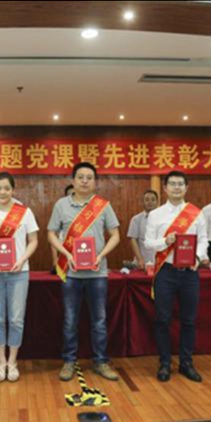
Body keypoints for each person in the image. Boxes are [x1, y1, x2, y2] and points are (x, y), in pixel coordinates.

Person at [48, 162, 120, 382]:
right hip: (71, 273)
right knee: (70, 320)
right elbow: (51, 234)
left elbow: (115, 235)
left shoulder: (103, 205)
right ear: (73, 180)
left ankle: (100, 361)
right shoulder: (61, 205)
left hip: (98, 273)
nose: (85, 181)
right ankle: (69, 361)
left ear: (95, 181)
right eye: (81, 177)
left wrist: (101, 256)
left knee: (99, 320)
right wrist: (66, 254)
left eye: (89, 177)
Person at [144, 171, 209, 383]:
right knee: (162, 319)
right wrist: (165, 241)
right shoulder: (156, 215)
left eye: (180, 184)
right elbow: (148, 243)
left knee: (189, 320)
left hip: (189, 272)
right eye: (172, 184)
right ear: (165, 188)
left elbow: (204, 240)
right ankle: (164, 362)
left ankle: (186, 363)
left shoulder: (196, 213)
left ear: (186, 187)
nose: (176, 187)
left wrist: (197, 257)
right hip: (166, 271)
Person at [0, 172, 39, 382]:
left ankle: (13, 361)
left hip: (19, 273)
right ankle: (1, 361)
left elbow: (33, 240)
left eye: (7, 188)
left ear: (13, 189)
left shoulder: (24, 213)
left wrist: (22, 259)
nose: (3, 192)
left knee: (16, 319)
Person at [127, 189, 159, 269]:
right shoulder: (136, 219)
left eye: (153, 200)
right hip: (142, 262)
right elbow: (133, 240)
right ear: (142, 202)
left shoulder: (163, 219)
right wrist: (140, 259)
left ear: (157, 202)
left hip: (160, 262)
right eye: (147, 200)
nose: (150, 202)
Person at [50, 184, 75, 273]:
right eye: (69, 195)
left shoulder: (87, 213)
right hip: (65, 252)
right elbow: (53, 238)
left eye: (74, 194)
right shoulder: (61, 210)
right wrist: (55, 261)